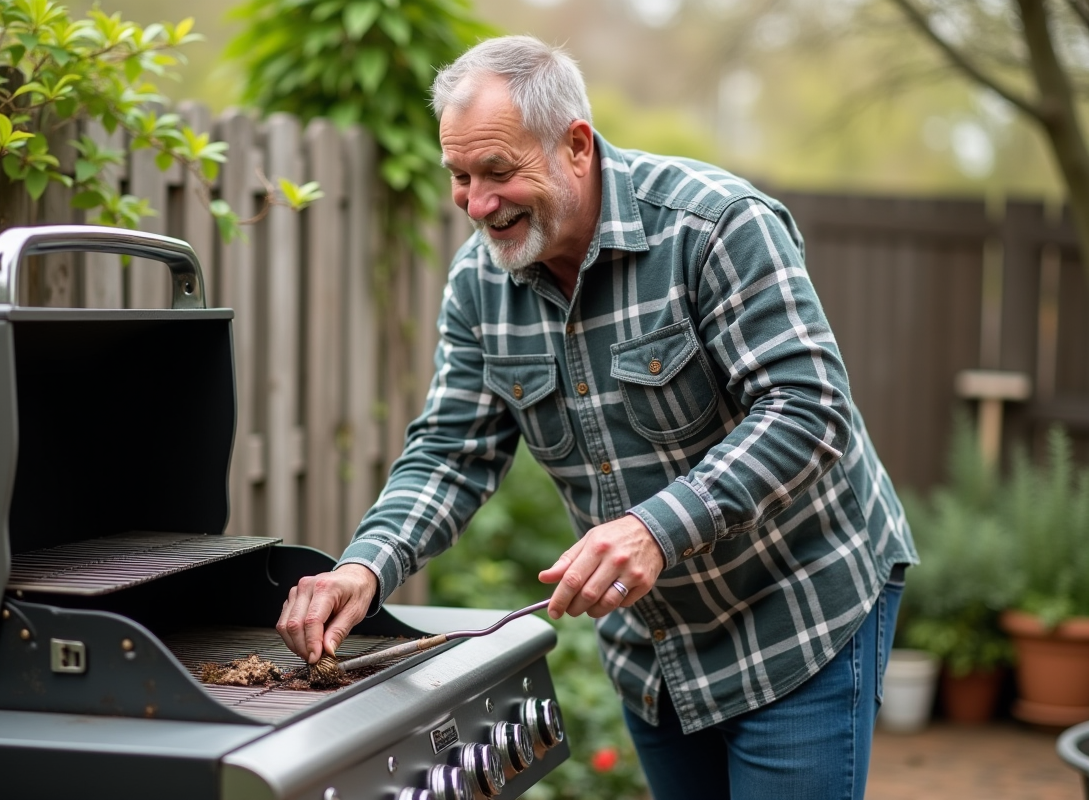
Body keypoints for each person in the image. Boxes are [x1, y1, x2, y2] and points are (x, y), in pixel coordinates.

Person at [277, 35, 917, 800]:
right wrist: (366, 565)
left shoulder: (714, 226)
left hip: (796, 608)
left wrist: (656, 528)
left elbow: (809, 409)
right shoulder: (481, 281)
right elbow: (453, 451)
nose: (476, 204)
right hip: (656, 648)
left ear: (576, 146)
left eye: (498, 172)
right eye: (459, 176)